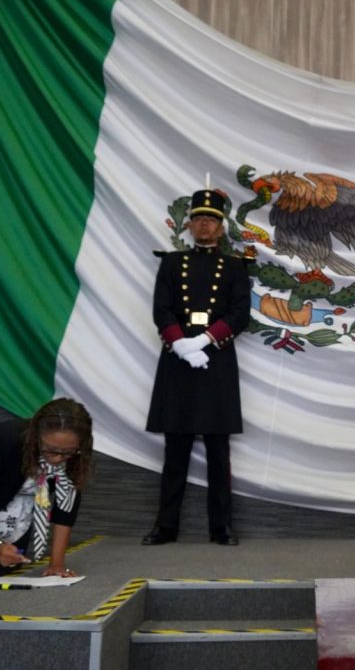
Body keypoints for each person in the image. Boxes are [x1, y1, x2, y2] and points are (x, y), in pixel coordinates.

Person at [142, 188, 251, 547]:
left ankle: (222, 527)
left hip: (216, 359)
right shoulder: (172, 263)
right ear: (189, 225)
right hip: (178, 360)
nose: (205, 225)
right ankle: (165, 526)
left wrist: (204, 341)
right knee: (175, 450)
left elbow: (240, 314)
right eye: (199, 218)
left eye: (212, 219)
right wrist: (180, 344)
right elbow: (162, 309)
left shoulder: (234, 267)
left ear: (221, 227)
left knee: (219, 453)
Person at [0, 398, 94, 579]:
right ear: (36, 436)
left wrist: (57, 565)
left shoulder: (75, 453)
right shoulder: (3, 440)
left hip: (16, 522)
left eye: (67, 453)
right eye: (50, 450)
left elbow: (66, 509)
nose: (57, 459)